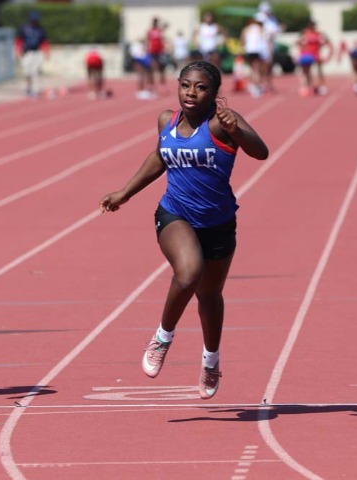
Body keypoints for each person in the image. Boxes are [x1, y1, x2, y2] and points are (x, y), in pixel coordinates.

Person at [99, 61, 268, 400]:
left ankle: (211, 361)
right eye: (186, 85)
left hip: (218, 222)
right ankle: (162, 337)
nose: (191, 92)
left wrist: (237, 130)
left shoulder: (222, 123)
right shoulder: (167, 120)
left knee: (210, 296)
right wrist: (125, 193)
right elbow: (159, 157)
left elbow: (260, 152)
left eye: (201, 87)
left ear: (214, 93)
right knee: (189, 272)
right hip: (175, 214)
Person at [15, 11, 49, 97]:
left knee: (35, 72)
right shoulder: (24, 29)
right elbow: (19, 40)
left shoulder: (40, 30)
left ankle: (35, 90)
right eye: (33, 20)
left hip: (37, 53)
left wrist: (46, 52)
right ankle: (28, 87)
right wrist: (17, 50)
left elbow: (44, 41)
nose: (35, 21)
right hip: (27, 53)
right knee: (26, 72)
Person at [297, 20, 333, 97]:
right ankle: (309, 86)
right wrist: (302, 52)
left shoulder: (318, 34)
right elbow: (299, 43)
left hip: (316, 54)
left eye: (313, 26)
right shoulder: (304, 33)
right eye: (311, 26)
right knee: (307, 71)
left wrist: (327, 54)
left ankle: (322, 86)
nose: (312, 27)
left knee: (319, 70)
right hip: (307, 55)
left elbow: (326, 42)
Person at [255, 1, 284, 94]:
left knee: (270, 65)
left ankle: (268, 84)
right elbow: (258, 31)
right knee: (262, 65)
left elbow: (275, 30)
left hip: (270, 44)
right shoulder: (259, 17)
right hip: (261, 45)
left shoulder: (272, 19)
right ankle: (261, 84)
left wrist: (279, 29)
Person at [241, 15, 266, 98]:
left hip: (249, 51)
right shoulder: (260, 29)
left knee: (252, 69)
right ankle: (257, 87)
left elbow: (243, 40)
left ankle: (252, 85)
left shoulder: (246, 29)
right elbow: (263, 40)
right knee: (257, 70)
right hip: (257, 50)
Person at [146, 17, 168, 94]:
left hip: (160, 51)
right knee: (151, 68)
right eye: (154, 22)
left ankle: (162, 84)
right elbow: (148, 40)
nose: (155, 23)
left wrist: (161, 21)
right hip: (152, 51)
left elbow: (166, 25)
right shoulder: (150, 31)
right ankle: (151, 85)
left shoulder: (160, 30)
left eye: (156, 22)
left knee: (162, 67)